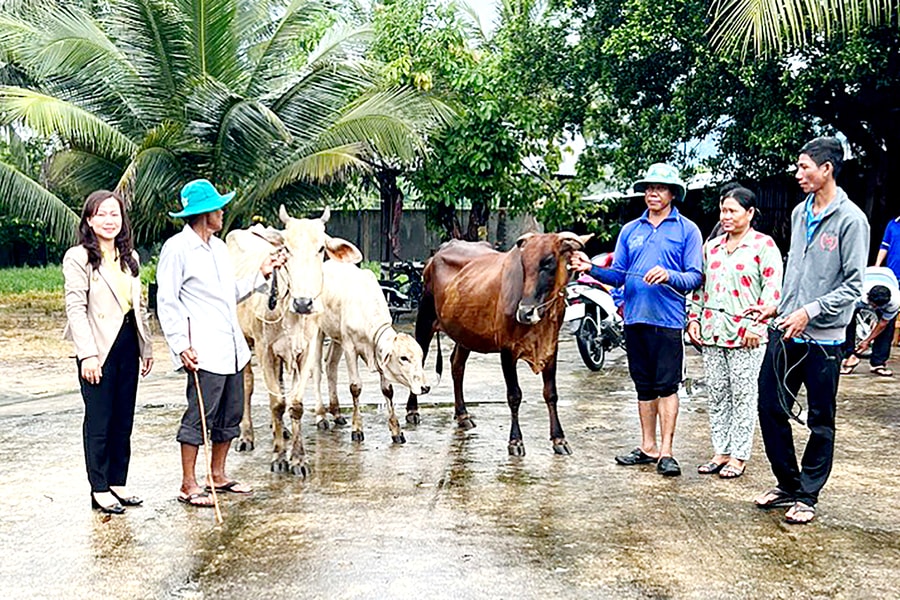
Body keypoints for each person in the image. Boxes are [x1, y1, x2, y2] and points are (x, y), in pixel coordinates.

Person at [747, 137, 868, 524]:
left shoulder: (851, 220)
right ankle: (787, 483)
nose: (798, 174)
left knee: (820, 419)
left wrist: (810, 311)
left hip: (824, 339)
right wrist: (779, 307)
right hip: (786, 331)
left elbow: (854, 285)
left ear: (826, 169)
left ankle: (808, 495)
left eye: (805, 167)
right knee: (769, 406)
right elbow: (796, 271)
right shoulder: (800, 213)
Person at [156, 179, 285, 508]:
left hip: (232, 348)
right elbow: (167, 301)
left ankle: (217, 474)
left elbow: (230, 293)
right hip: (203, 349)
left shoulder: (218, 248)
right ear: (204, 213)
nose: (223, 213)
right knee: (200, 416)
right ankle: (188, 484)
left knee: (231, 414)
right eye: (219, 208)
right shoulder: (177, 249)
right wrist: (180, 345)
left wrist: (262, 274)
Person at [570, 163, 703, 476]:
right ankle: (648, 446)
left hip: (668, 321)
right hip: (634, 319)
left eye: (660, 188)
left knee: (667, 386)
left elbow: (695, 276)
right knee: (643, 386)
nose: (653, 193)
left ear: (673, 194)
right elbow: (618, 275)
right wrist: (591, 268)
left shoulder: (687, 230)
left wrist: (669, 275)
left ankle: (667, 452)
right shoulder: (631, 230)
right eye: (649, 188)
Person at [63, 190, 154, 514]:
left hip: (128, 341)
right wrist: (87, 354)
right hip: (98, 345)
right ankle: (99, 488)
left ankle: (118, 482)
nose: (109, 220)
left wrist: (146, 347)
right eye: (101, 214)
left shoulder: (130, 257)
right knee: (99, 419)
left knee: (123, 418)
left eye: (114, 214)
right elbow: (76, 308)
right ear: (89, 220)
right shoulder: (79, 257)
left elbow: (138, 307)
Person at [687, 186, 783, 480]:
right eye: (723, 211)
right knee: (717, 394)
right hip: (712, 332)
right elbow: (700, 287)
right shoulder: (711, 247)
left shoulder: (763, 246)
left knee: (743, 396)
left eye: (732, 211)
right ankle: (720, 451)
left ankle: (739, 456)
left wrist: (757, 325)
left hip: (746, 336)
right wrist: (693, 319)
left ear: (750, 213)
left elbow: (772, 290)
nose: (725, 216)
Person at [840, 266, 900, 376]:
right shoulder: (858, 294)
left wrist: (867, 341)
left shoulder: (895, 301)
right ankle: (848, 356)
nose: (874, 308)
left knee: (888, 327)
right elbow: (845, 317)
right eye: (873, 305)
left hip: (888, 276)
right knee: (847, 321)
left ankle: (878, 363)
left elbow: (883, 323)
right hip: (867, 275)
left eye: (877, 306)